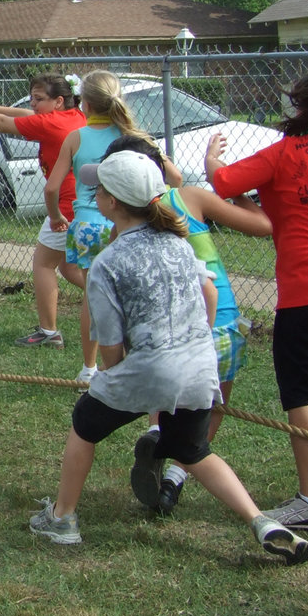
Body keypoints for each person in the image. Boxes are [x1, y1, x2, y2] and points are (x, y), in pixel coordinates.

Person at [28, 150, 308, 565]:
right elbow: (210, 293)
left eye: (99, 188)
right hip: (199, 371)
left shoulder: (108, 262)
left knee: (83, 425)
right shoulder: (179, 244)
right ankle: (262, 522)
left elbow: (108, 345)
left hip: (148, 370)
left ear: (110, 203)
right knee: (194, 450)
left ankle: (63, 518)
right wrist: (196, 339)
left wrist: (114, 377)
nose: (95, 193)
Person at [207, 67, 308, 530]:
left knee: (303, 393)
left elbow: (224, 186)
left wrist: (211, 160)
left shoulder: (282, 153)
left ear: (299, 108)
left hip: (306, 294)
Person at [101, 134, 272, 515]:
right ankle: (175, 478)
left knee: (166, 385)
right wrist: (232, 184)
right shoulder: (191, 198)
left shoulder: (120, 230)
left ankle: (157, 431)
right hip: (221, 329)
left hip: (162, 339)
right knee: (212, 406)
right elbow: (263, 225)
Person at [44, 70, 176, 389]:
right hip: (129, 223)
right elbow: (176, 178)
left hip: (87, 226)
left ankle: (91, 367)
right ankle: (139, 358)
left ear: (84, 104)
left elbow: (51, 188)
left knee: (94, 298)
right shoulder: (136, 137)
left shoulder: (76, 137)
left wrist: (56, 216)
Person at [0, 73, 86, 348]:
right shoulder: (73, 116)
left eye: (39, 99)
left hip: (65, 206)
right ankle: (114, 301)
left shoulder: (51, 123)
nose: (32, 104)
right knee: (69, 268)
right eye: (32, 97)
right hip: (79, 204)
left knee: (43, 263)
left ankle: (49, 332)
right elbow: (14, 113)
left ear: (58, 101)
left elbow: (3, 123)